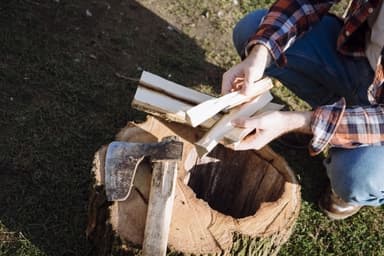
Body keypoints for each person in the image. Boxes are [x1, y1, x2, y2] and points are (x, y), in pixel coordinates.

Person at [222, 0, 384, 220]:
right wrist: (262, 51)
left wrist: (298, 122)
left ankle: (353, 185)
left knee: (358, 176)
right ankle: (333, 118)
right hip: (361, 59)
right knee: (251, 30)